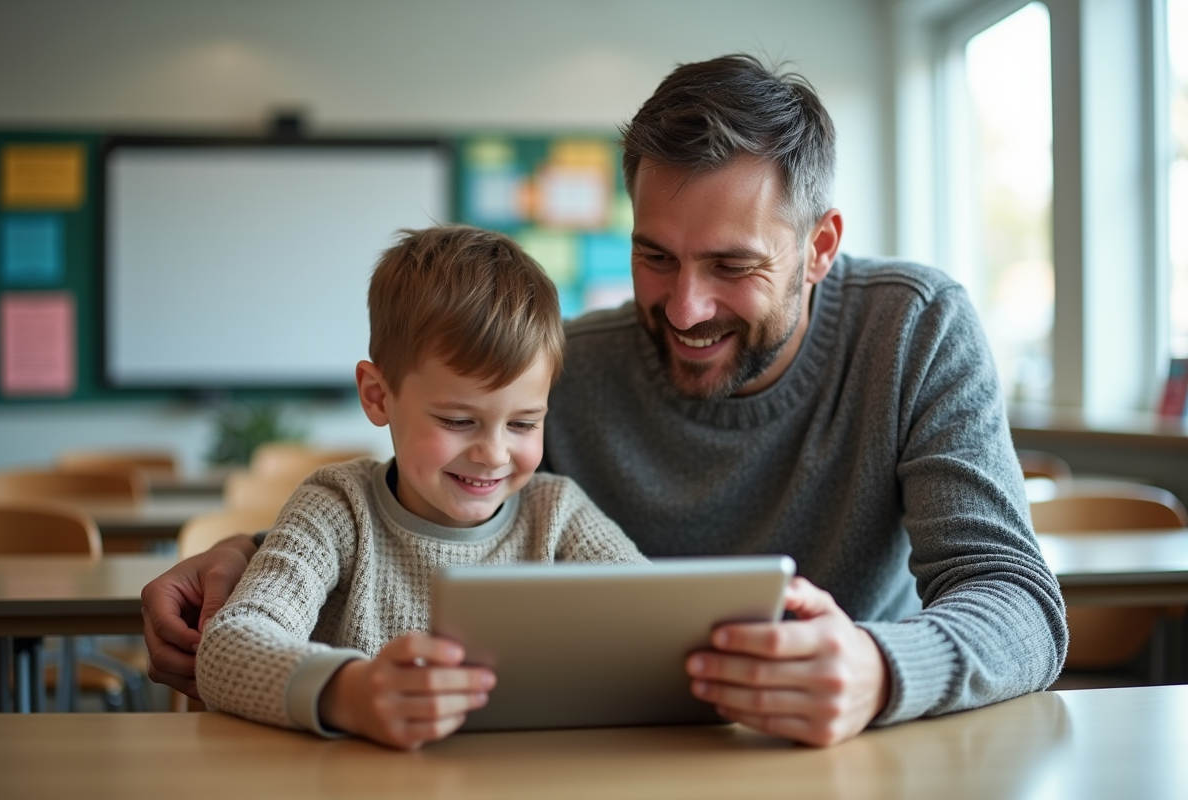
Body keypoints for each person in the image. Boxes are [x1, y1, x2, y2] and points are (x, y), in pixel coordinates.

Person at [143, 54, 1067, 748]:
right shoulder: (565, 374)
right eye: (655, 256)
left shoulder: (914, 330)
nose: (685, 308)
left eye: (731, 266)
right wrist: (250, 554)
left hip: (838, 756)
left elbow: (1019, 603)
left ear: (819, 246)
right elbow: (432, 512)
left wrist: (879, 667)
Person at [192, 226, 646, 750]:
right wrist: (350, 694)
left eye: (523, 424)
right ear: (377, 395)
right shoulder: (337, 510)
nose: (494, 454)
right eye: (458, 421)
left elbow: (654, 627)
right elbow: (226, 649)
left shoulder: (558, 513)